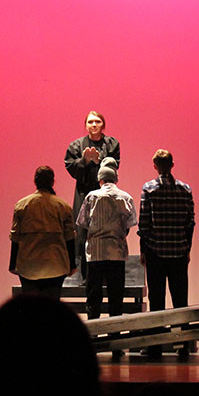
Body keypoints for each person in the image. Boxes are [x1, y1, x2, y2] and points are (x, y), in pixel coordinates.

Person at [76, 161, 137, 361]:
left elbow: (83, 224)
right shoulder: (125, 197)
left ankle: (92, 340)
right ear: (116, 179)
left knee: (93, 298)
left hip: (95, 254)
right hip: (116, 253)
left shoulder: (91, 196)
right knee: (115, 299)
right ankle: (116, 344)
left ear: (100, 179)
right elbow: (129, 224)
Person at [138, 149, 195, 360]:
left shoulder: (149, 188)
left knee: (157, 299)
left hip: (156, 250)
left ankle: (156, 345)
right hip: (179, 250)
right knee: (180, 299)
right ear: (172, 164)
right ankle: (183, 345)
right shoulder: (184, 189)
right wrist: (187, 247)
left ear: (155, 165)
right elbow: (190, 221)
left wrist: (143, 249)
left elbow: (144, 223)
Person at [64, 111, 121, 280]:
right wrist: (84, 161)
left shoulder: (112, 143)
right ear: (86, 125)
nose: (94, 124)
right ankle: (85, 275)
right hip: (84, 192)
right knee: (82, 232)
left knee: (106, 229)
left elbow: (114, 164)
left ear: (103, 124)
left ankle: (106, 274)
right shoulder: (76, 145)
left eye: (97, 121)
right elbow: (70, 166)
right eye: (90, 122)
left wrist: (99, 160)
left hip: (105, 194)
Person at [10, 166, 76, 299]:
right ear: (52, 182)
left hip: (28, 265)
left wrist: (12, 264)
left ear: (35, 181)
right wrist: (72, 264)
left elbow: (15, 237)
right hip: (55, 265)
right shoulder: (63, 206)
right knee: (51, 308)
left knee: (31, 307)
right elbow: (69, 237)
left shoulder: (22, 205)